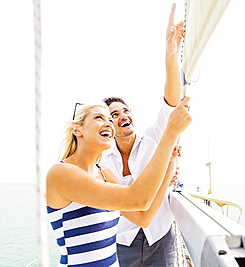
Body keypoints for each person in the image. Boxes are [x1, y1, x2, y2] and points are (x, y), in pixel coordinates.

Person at [46, 98, 191, 266]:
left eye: (109, 119)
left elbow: (142, 217)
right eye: (99, 118)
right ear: (76, 129)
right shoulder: (62, 173)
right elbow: (138, 198)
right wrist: (170, 133)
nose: (108, 123)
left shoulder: (105, 173)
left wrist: (168, 174)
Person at [100, 4, 184, 266]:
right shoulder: (102, 162)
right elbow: (135, 209)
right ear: (107, 126)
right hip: (121, 241)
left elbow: (171, 103)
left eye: (126, 111)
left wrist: (171, 55)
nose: (123, 115)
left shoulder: (154, 138)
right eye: (114, 114)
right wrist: (167, 174)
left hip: (161, 236)